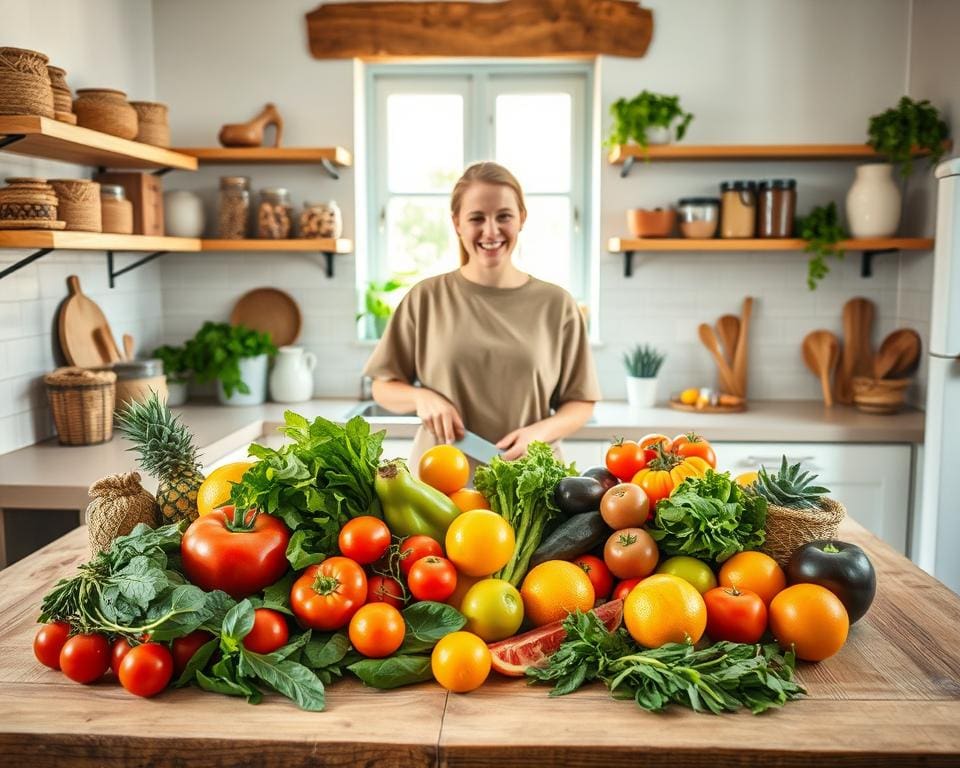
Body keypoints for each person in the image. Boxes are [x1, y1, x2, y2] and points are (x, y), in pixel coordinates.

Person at [362, 161, 601, 467]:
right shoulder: (425, 298)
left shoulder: (557, 304)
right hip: (439, 484)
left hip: (529, 483)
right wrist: (421, 398)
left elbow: (581, 400)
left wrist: (541, 432)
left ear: (522, 219)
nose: (491, 231)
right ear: (457, 223)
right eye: (477, 218)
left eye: (504, 216)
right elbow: (383, 386)